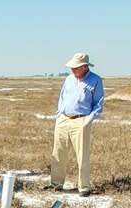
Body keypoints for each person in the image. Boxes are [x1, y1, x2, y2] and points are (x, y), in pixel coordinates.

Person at [50, 52, 104, 198]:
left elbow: (98, 103)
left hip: (81, 120)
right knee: (58, 152)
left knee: (82, 155)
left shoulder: (96, 80)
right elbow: (62, 97)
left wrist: (88, 120)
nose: (73, 70)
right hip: (63, 119)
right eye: (72, 67)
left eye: (76, 67)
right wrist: (60, 114)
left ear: (85, 66)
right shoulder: (68, 79)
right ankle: (56, 184)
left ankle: (84, 187)